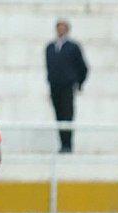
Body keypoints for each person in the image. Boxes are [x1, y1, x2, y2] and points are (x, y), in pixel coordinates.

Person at [45, 19, 88, 154]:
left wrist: (79, 83)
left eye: (63, 27)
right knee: (58, 115)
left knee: (67, 115)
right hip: (54, 87)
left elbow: (83, 67)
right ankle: (62, 144)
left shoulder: (73, 47)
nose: (61, 30)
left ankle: (68, 145)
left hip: (67, 87)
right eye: (59, 27)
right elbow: (49, 68)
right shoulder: (50, 47)